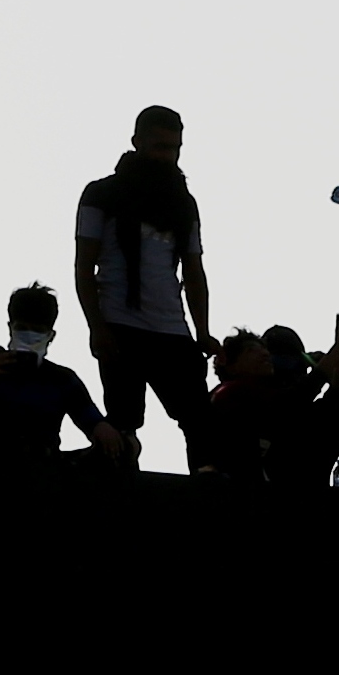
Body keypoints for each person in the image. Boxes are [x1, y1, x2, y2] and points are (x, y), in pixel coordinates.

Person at [74, 104, 212, 463]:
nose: (167, 156)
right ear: (137, 142)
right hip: (120, 323)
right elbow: (84, 266)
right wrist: (97, 326)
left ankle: (207, 482)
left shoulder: (183, 203)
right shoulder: (102, 194)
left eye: (174, 148)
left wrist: (202, 331)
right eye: (160, 147)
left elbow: (193, 271)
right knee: (123, 422)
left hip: (171, 326)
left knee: (199, 419)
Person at [0, 281, 128, 466]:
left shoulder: (62, 379)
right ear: (10, 328)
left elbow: (89, 417)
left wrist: (101, 427)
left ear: (50, 336)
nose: (28, 335)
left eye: (37, 330)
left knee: (128, 447)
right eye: (22, 328)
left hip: (44, 468)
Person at [195, 313, 339, 490]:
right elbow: (293, 400)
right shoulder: (229, 395)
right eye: (251, 350)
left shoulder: (296, 412)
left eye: (265, 350)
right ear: (230, 365)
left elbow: (333, 403)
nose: (264, 355)